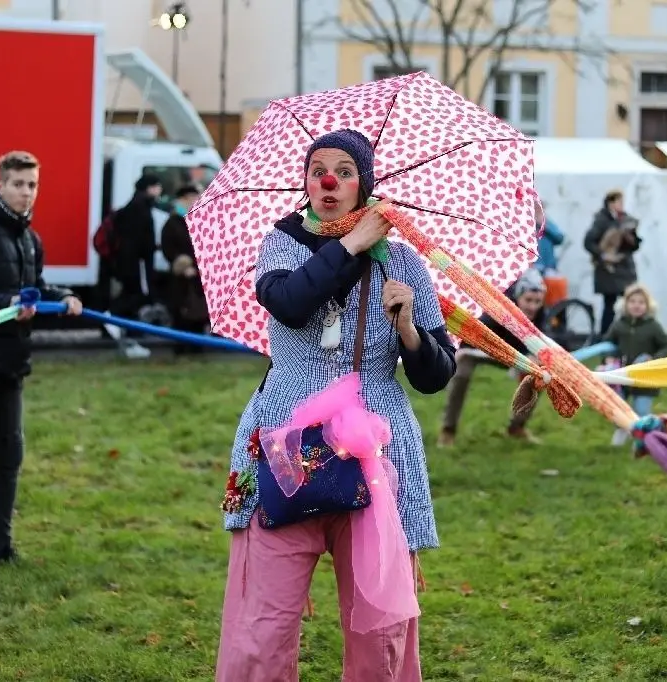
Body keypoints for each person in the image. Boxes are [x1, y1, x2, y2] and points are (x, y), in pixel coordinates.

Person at [216, 129, 456, 681]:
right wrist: (349, 246)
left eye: (345, 171)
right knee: (263, 628)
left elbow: (436, 375)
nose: (329, 181)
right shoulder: (281, 244)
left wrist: (410, 330)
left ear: (364, 183)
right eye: (318, 169)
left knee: (380, 633)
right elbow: (290, 303)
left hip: (376, 458)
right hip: (284, 451)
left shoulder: (402, 263)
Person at [0, 151, 83, 579]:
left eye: (33, 185)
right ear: (0, 185)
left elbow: (33, 288)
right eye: (19, 184)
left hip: (11, 360)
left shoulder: (29, 239)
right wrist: (7, 305)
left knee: (12, 455)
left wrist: (62, 298)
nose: (27, 193)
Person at [438, 269, 548, 447]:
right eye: (528, 300)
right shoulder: (497, 312)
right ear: (517, 298)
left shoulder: (541, 315)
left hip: (517, 356)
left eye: (537, 302)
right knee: (462, 369)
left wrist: (536, 358)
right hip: (483, 350)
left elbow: (542, 344)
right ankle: (448, 430)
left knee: (542, 375)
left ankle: (517, 427)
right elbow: (469, 340)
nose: (533, 306)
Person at [603, 283, 667, 446]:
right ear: (625, 304)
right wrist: (608, 358)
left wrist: (653, 358)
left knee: (641, 412)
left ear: (648, 306)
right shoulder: (619, 325)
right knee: (617, 409)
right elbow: (607, 343)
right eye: (633, 301)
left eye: (641, 302)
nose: (637, 305)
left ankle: (646, 440)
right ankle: (622, 429)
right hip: (621, 377)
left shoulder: (653, 326)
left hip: (644, 377)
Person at [108, 174, 163, 359]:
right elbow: (139, 241)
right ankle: (113, 320)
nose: (159, 191)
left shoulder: (135, 206)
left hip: (129, 263)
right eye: (156, 186)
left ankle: (127, 337)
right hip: (136, 264)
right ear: (148, 188)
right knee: (135, 298)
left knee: (132, 297)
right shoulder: (140, 209)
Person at [583, 190, 641, 335]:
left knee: (629, 303)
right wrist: (603, 255)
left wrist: (632, 240)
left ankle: (626, 335)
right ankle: (606, 336)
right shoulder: (602, 220)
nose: (622, 205)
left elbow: (634, 245)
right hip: (608, 271)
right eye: (619, 202)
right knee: (610, 305)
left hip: (625, 269)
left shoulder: (626, 219)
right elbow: (588, 242)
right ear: (611, 203)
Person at [160, 184, 208, 354]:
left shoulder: (198, 220)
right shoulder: (172, 223)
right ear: (182, 199)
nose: (195, 201)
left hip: (198, 275)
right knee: (182, 313)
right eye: (192, 198)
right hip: (181, 277)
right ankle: (180, 348)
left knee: (199, 312)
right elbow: (168, 249)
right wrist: (181, 264)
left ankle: (197, 347)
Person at [533, 201, 564, 274]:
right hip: (532, 267)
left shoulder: (547, 223)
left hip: (548, 267)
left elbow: (560, 238)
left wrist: (544, 226)